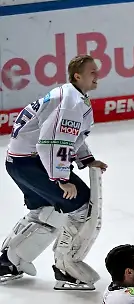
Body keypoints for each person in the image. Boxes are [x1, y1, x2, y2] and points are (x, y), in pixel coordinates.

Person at [1, 54, 108, 289]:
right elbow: (53, 142)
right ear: (77, 76)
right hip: (32, 163)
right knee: (81, 206)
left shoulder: (72, 96)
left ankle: (8, 262)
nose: (97, 74)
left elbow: (70, 137)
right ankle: (66, 268)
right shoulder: (70, 102)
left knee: (48, 210)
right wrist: (61, 179)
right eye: (92, 71)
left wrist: (87, 159)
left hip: (19, 162)